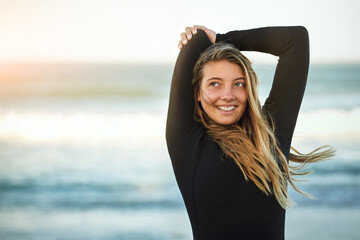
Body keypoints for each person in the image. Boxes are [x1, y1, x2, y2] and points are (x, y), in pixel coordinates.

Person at [166, 25, 334, 240]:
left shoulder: (270, 135)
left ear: (249, 90)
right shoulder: (187, 141)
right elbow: (197, 40)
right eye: (215, 84)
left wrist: (222, 38)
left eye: (239, 84)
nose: (228, 95)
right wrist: (206, 40)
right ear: (197, 93)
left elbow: (296, 39)